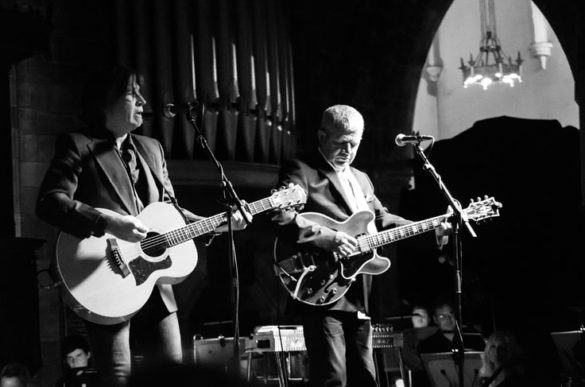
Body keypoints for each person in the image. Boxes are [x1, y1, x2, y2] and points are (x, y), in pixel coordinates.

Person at [36, 65, 251, 387]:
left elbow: (172, 212)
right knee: (117, 377)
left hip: (155, 281)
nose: (142, 100)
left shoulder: (152, 148)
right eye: (131, 93)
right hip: (105, 277)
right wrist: (107, 222)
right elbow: (50, 201)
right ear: (105, 101)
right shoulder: (77, 144)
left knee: (173, 374)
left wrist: (221, 224)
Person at [271, 105, 446, 387]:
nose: (348, 150)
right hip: (320, 289)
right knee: (332, 379)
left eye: (354, 143)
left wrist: (431, 227)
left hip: (359, 294)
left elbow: (382, 219)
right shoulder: (301, 170)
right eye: (341, 143)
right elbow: (281, 215)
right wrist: (330, 238)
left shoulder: (361, 178)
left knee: (366, 378)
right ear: (322, 135)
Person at [417, 298, 485, 354]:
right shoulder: (427, 346)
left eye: (451, 314)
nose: (448, 319)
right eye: (442, 316)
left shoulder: (473, 337)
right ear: (435, 320)